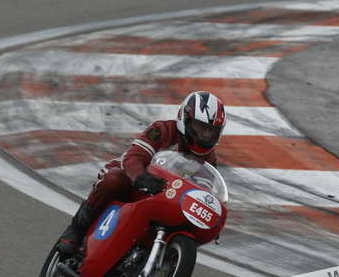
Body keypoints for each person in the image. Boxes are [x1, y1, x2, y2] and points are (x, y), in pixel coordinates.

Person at [58, 91, 227, 257]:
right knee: (114, 180)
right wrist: (141, 177)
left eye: (211, 131)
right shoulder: (162, 130)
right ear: (186, 119)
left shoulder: (209, 158)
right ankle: (76, 231)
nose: (205, 135)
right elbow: (134, 156)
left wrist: (211, 216)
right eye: (200, 127)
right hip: (133, 179)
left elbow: (204, 190)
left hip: (167, 195)